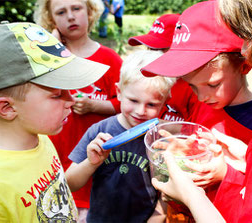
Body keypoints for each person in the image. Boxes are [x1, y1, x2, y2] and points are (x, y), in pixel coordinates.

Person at [149, 0, 252, 222]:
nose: (202, 97)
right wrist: (194, 152)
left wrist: (193, 193)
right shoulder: (205, 107)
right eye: (192, 87)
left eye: (213, 85)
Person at [0, 21, 109, 222]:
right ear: (8, 108)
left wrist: (90, 163)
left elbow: (57, 190)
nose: (71, 101)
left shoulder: (42, 141)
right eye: (57, 95)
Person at [33, 0, 123, 220]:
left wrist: (95, 105)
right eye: (61, 12)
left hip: (99, 161)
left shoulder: (108, 59)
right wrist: (51, 49)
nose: (70, 17)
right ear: (51, 20)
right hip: (58, 156)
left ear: (90, 12)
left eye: (76, 9)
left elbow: (128, 104)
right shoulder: (48, 62)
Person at [65, 50, 176, 222]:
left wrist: (155, 219)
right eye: (133, 100)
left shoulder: (160, 139)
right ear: (119, 92)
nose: (141, 111)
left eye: (152, 104)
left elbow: (165, 194)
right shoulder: (100, 131)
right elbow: (70, 183)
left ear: (165, 102)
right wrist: (90, 163)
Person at [128, 13, 199, 123]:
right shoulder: (143, 77)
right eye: (149, 48)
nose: (152, 55)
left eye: (159, 49)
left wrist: (155, 124)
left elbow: (197, 128)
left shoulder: (193, 87)